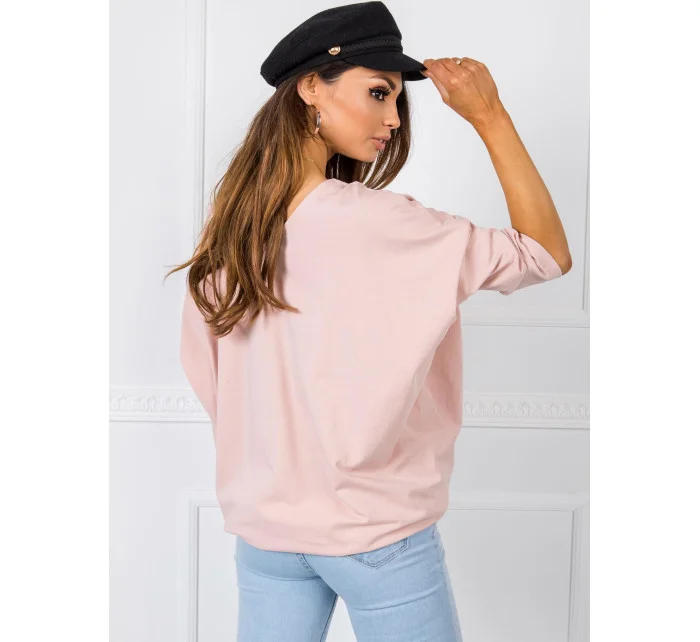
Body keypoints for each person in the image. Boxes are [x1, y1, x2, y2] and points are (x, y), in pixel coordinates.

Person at [165, 2, 572, 640]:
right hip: (375, 536)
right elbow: (544, 254)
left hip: (267, 536)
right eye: (379, 92)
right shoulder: (381, 222)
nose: (394, 118)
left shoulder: (231, 232)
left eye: (398, 100)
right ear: (310, 87)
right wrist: (490, 116)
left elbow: (210, 378)